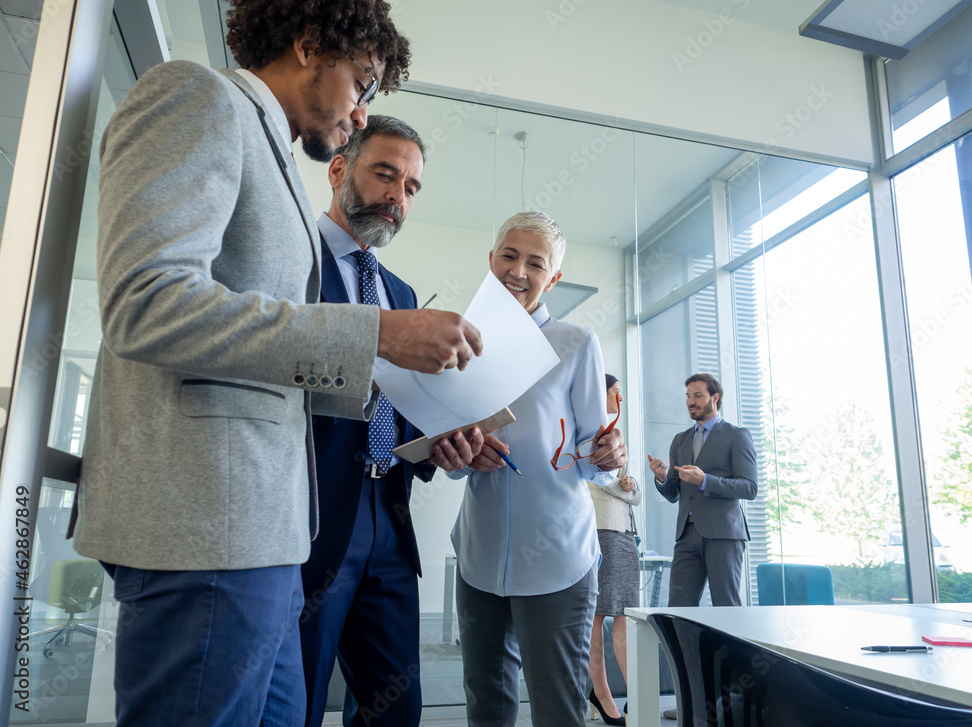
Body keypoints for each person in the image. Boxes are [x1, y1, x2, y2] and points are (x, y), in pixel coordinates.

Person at [69, 3, 482, 725]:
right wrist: (375, 335)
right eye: (364, 82)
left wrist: (428, 425)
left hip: (271, 537)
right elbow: (146, 302)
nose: (360, 112)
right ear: (308, 44)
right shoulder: (196, 96)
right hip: (207, 528)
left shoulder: (275, 159)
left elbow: (277, 362)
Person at [298, 115, 482, 727]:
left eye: (410, 188)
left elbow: (398, 404)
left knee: (396, 712)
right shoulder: (294, 258)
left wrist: (437, 446)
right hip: (315, 520)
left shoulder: (401, 292)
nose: (397, 197)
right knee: (293, 701)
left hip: (391, 523)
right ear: (337, 167)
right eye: (386, 174)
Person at [448, 211, 628, 727]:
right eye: (509, 255)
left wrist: (610, 455)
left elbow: (598, 457)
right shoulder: (460, 341)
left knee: (557, 706)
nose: (518, 271)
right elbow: (450, 453)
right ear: (490, 260)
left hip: (557, 558)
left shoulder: (576, 345)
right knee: (486, 699)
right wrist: (461, 451)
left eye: (535, 263)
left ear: (553, 278)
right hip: (479, 553)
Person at [647, 373, 757, 608]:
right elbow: (675, 493)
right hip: (686, 536)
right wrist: (662, 479)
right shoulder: (680, 440)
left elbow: (749, 487)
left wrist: (705, 480)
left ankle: (727, 648)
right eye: (688, 396)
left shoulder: (736, 436)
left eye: (698, 395)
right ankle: (686, 648)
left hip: (723, 535)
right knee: (678, 610)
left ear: (715, 397)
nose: (690, 401)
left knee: (726, 607)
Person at [586, 374, 640, 726]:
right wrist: (624, 486)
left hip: (624, 533)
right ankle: (603, 697)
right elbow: (591, 477)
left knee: (624, 618)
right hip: (601, 530)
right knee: (597, 619)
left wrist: (628, 486)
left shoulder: (615, 432)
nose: (619, 396)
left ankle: (635, 693)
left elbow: (633, 492)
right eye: (614, 391)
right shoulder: (586, 430)